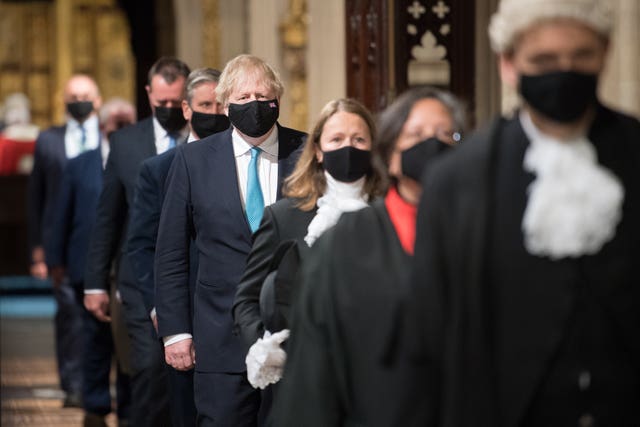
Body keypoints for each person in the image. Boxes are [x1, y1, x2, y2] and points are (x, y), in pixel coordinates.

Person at [406, 0, 640, 426]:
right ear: (508, 64)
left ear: (604, 53)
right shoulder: (456, 181)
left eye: (581, 56)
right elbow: (431, 337)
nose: (564, 70)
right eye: (544, 59)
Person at [273, 87, 465, 427]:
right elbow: (314, 371)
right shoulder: (342, 244)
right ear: (390, 155)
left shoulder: (483, 234)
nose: (432, 145)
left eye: (447, 134)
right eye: (415, 134)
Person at [154, 54, 306, 425]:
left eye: (262, 95)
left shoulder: (305, 154)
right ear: (225, 105)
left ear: (277, 101)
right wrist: (176, 331)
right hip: (219, 338)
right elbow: (172, 252)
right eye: (242, 97)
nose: (253, 104)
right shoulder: (193, 160)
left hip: (294, 333)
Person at [233, 98, 384, 390]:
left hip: (376, 375)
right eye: (336, 139)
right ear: (317, 150)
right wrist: (266, 347)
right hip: (301, 378)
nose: (347, 147)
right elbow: (246, 300)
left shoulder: (390, 213)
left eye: (359, 139)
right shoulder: (282, 216)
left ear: (373, 148)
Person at [84, 57, 191, 427]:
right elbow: (108, 216)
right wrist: (96, 281)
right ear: (148, 95)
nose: (168, 111)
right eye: (161, 104)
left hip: (190, 276)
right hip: (138, 279)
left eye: (176, 104)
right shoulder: (127, 143)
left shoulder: (207, 138)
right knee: (147, 370)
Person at [126, 67, 228, 427]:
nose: (214, 113)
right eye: (205, 105)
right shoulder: (160, 168)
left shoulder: (246, 164)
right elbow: (142, 245)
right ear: (188, 109)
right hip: (182, 308)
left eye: (221, 105)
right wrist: (161, 310)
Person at [46, 98, 136, 426]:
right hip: (87, 265)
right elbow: (62, 213)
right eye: (117, 126)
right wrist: (54, 258)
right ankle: (96, 404)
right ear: (103, 127)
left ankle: (128, 409)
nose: (123, 132)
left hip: (127, 268)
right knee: (94, 341)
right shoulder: (81, 163)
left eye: (129, 125)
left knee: (128, 342)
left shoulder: (142, 159)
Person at [27, 74, 102, 407]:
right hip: (64, 243)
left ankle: (100, 382)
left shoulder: (110, 137)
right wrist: (40, 251)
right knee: (70, 316)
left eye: (85, 95)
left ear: (97, 100)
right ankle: (72, 383)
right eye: (73, 95)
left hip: (101, 240)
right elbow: (36, 199)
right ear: (63, 100)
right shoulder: (49, 140)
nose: (80, 100)